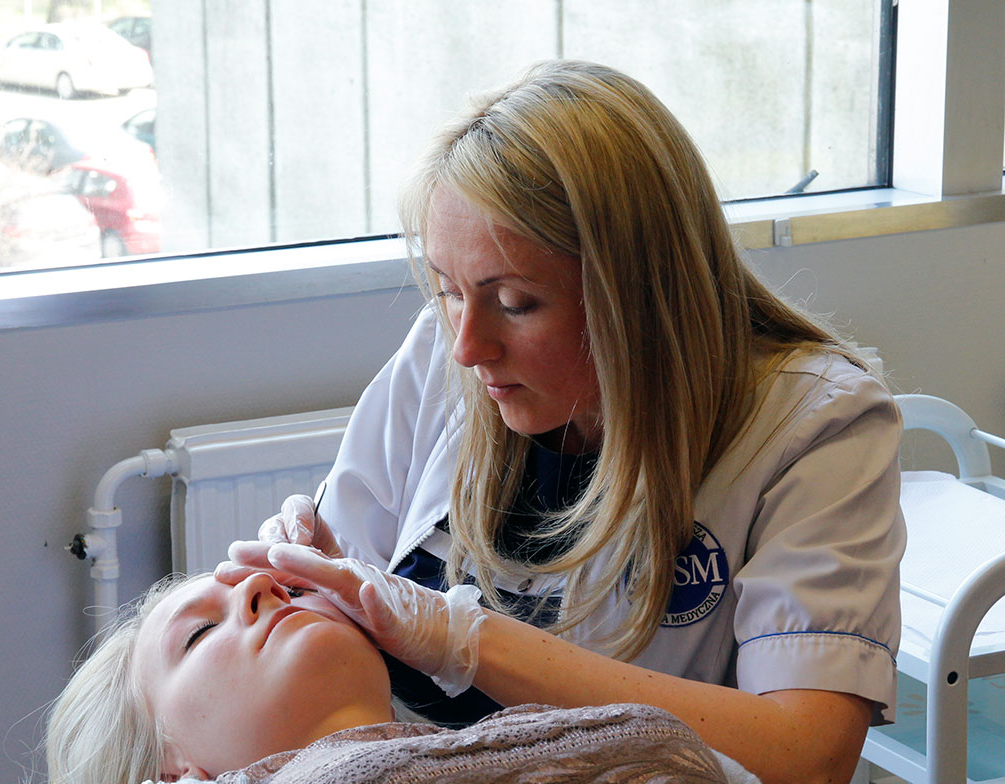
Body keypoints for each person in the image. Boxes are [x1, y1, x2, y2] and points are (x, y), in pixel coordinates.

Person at [219, 59, 905, 784]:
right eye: (449, 291)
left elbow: (808, 756)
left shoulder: (814, 425)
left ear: (638, 297)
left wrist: (466, 641)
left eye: (515, 302)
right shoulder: (442, 352)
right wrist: (324, 583)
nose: (467, 347)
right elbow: (352, 595)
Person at [44, 569, 737, 783]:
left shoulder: (540, 739)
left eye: (290, 586)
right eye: (198, 633)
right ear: (171, 773)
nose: (260, 585)